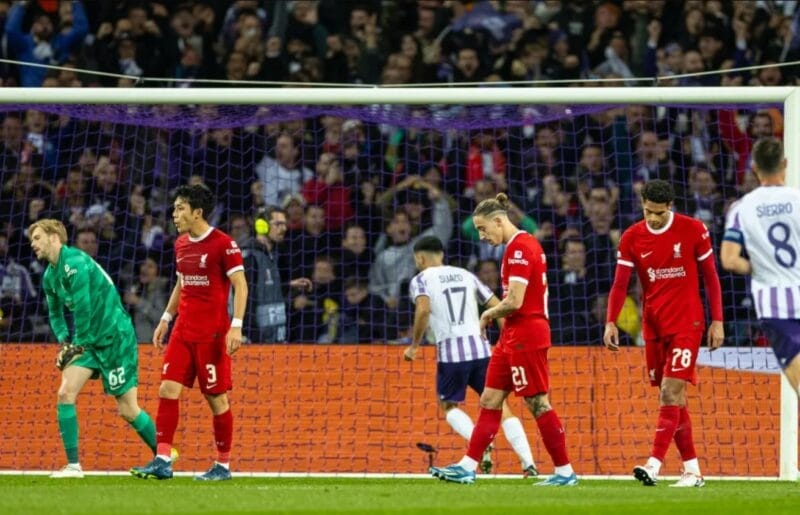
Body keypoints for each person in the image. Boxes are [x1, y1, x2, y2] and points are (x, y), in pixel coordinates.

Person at [429, 193, 577, 486]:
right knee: (490, 398)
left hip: (527, 333)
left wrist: (486, 315)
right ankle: (468, 466)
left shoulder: (521, 248)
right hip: (512, 334)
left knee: (537, 403)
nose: (482, 236)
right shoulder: (515, 247)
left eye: (484, 229)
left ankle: (564, 472)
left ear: (499, 221)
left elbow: (515, 301)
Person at [603, 179, 724, 488]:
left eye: (658, 212)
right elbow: (620, 283)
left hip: (688, 323)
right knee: (674, 396)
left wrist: (717, 321)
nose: (653, 218)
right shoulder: (632, 236)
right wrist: (611, 321)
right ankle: (693, 471)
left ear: (670, 206)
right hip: (654, 327)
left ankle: (653, 464)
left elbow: (710, 278)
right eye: (647, 211)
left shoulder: (693, 229)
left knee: (669, 392)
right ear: (642, 204)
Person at [130, 184, 248, 481]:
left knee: (216, 399)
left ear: (198, 212)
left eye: (180, 208)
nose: (174, 214)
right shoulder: (181, 244)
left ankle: (222, 465)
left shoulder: (224, 244)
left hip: (212, 334)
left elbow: (241, 285)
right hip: (183, 331)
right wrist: (166, 317)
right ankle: (162, 459)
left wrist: (237, 325)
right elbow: (182, 282)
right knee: (167, 389)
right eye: (174, 208)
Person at [29, 218, 158, 478]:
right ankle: (74, 466)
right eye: (32, 239)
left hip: (114, 337)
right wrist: (66, 340)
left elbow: (84, 307)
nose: (33, 244)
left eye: (37, 238)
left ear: (54, 238)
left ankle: (163, 454)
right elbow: (55, 314)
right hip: (88, 341)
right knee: (65, 393)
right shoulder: (49, 277)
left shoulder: (74, 263)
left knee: (127, 409)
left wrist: (79, 342)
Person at [404, 235, 538, 478]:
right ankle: (528, 462)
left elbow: (423, 309)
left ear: (420, 258)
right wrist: (508, 339)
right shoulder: (466, 274)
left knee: (449, 405)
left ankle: (480, 441)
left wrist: (414, 345)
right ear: (442, 255)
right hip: (482, 351)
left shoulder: (421, 279)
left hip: (451, 355)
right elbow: (498, 304)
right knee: (502, 405)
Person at [721, 138, 800, 392]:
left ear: (754, 167)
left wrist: (757, 268)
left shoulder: (742, 208)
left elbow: (729, 259)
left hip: (774, 307)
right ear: (784, 164)